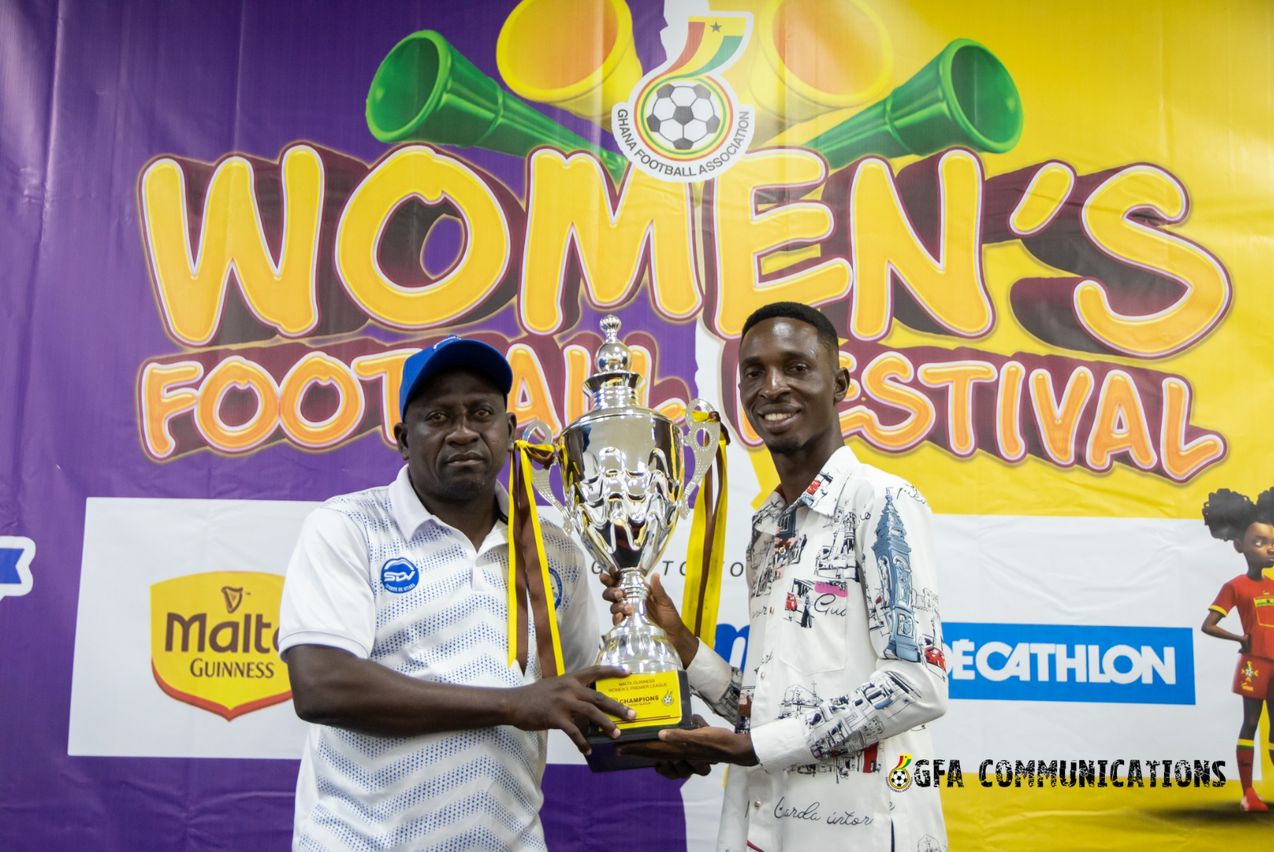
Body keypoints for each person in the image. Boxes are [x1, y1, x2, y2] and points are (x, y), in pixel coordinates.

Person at [605, 302, 948, 850]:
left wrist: (749, 748)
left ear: (838, 384)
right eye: (753, 371)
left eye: (796, 367)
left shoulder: (881, 502)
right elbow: (766, 708)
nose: (771, 387)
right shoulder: (768, 527)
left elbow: (918, 685)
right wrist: (679, 641)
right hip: (761, 828)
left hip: (857, 832)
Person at [278, 335, 632, 850]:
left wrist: (659, 740)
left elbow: (577, 699)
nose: (463, 433)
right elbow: (322, 684)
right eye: (438, 418)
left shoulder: (555, 550)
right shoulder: (348, 526)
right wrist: (512, 704)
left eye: (481, 413)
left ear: (509, 430)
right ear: (403, 437)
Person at [1200, 487, 1274, 812]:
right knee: (1250, 723)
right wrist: (1238, 639)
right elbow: (1209, 624)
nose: (1270, 550)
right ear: (1240, 546)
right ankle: (1249, 793)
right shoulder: (1236, 586)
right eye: (1260, 543)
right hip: (1254, 665)